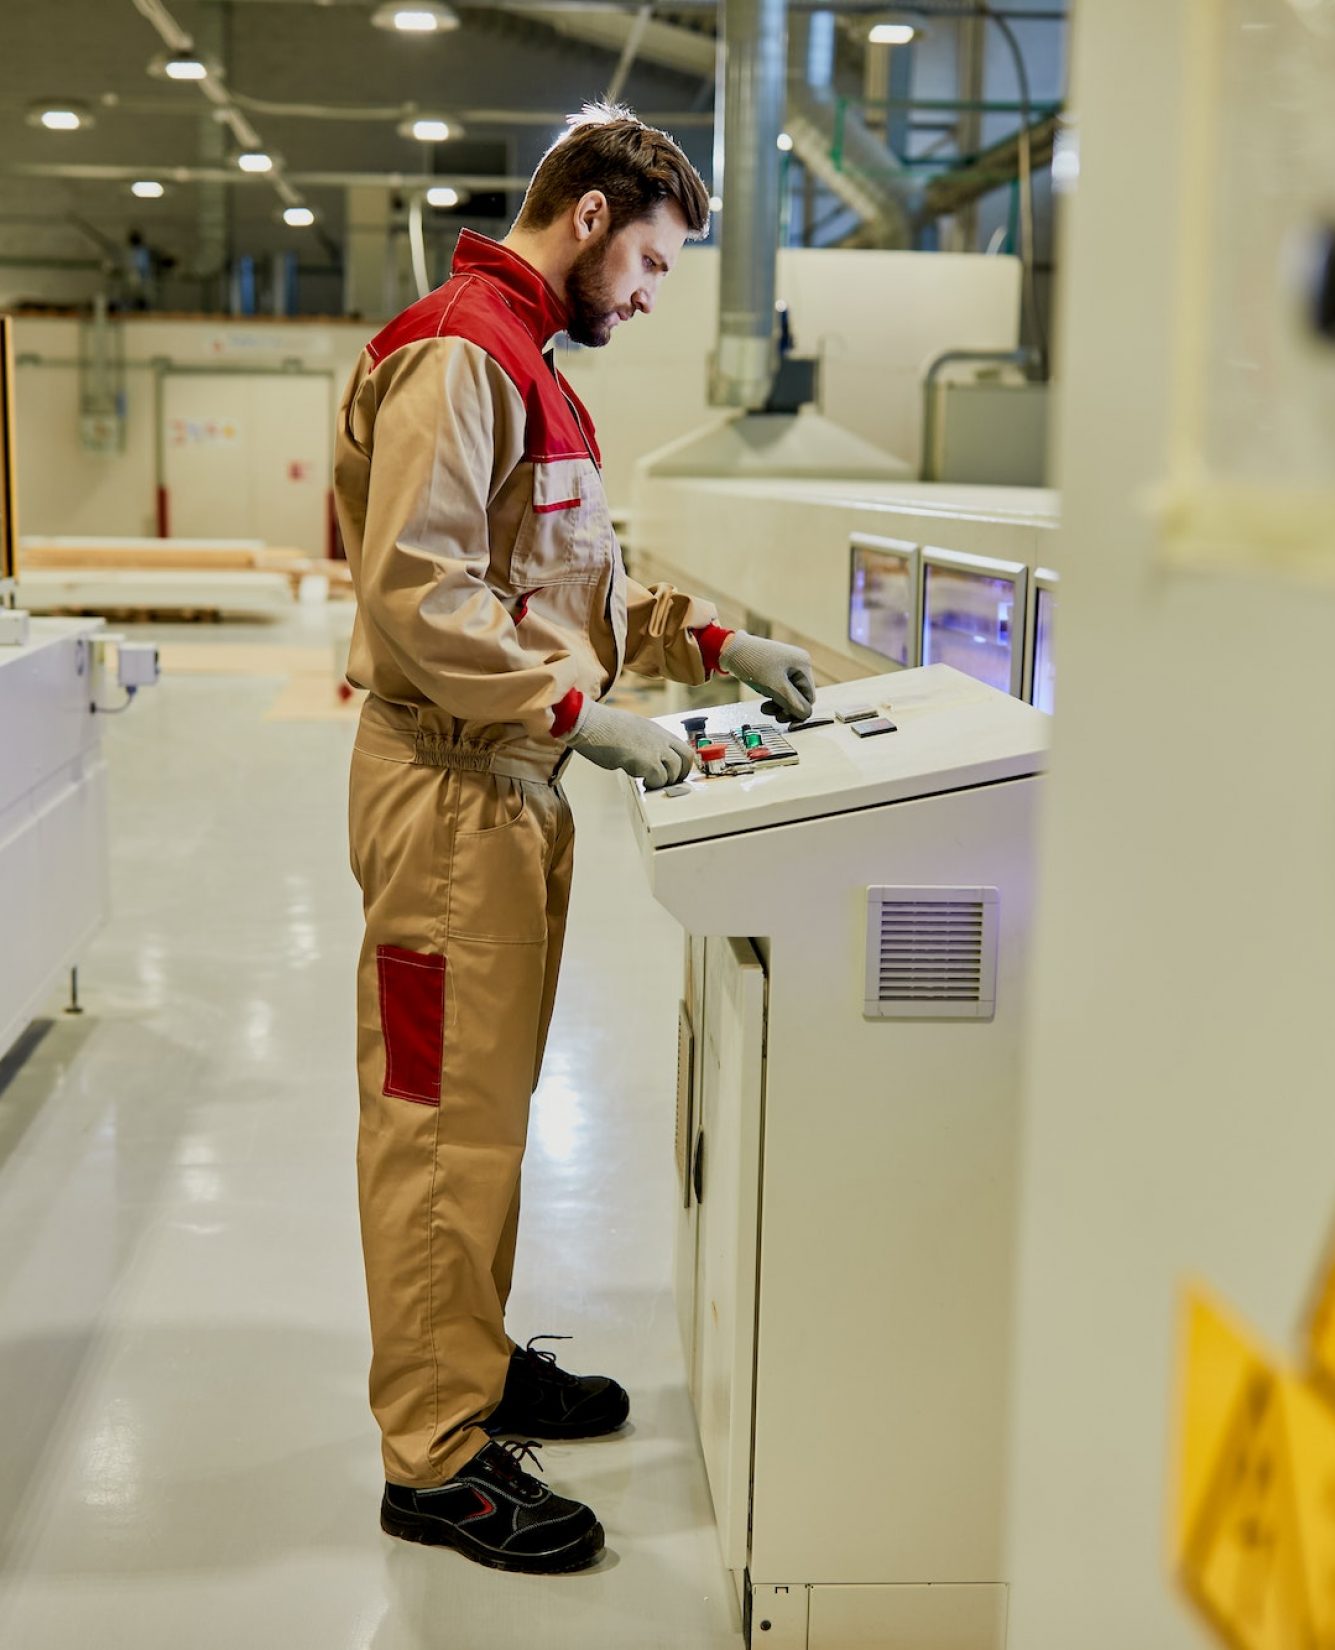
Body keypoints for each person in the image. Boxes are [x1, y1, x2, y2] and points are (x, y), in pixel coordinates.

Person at [333, 102, 815, 1577]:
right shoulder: (461, 353)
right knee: (432, 1118)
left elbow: (561, 589)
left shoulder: (535, 367)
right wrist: (574, 711)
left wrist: (713, 640)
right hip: (452, 793)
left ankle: (466, 1366)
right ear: (593, 219)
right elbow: (418, 593)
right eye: (657, 266)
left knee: (481, 1112)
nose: (658, 295)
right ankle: (434, 1452)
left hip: (511, 792)